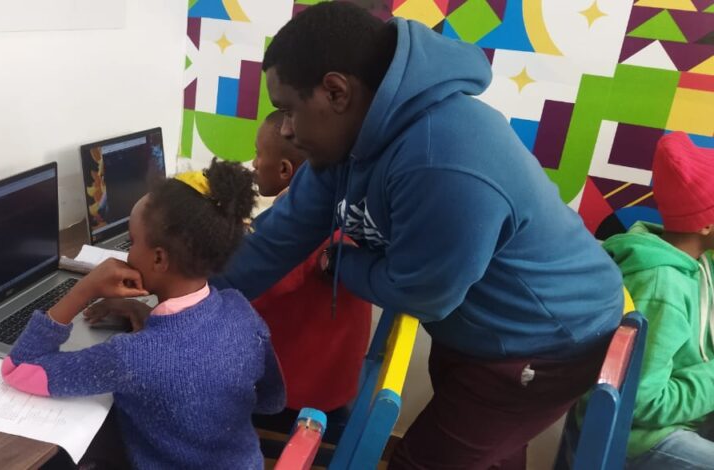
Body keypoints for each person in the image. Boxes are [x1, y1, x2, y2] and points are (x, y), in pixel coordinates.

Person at [211, 3, 625, 468]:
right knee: (490, 453)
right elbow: (274, 240)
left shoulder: (442, 156)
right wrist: (177, 300)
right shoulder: (345, 143)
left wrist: (343, 263)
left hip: (545, 340)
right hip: (483, 330)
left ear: (335, 91)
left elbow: (424, 294)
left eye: (289, 110)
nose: (285, 128)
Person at [2, 160, 285, 469]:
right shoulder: (239, 310)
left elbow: (18, 369)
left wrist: (83, 290)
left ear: (159, 258)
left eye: (132, 241)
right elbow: (272, 401)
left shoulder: (133, 357)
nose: (127, 252)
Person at [249, 110, 372, 442]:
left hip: (302, 400)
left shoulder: (301, 236)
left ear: (286, 170)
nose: (253, 163)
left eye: (258, 154)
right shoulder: (343, 218)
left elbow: (250, 295)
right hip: (335, 387)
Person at [601, 132, 714, 469]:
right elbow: (640, 403)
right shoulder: (661, 285)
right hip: (639, 438)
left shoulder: (699, 263)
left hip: (685, 412)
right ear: (705, 224)